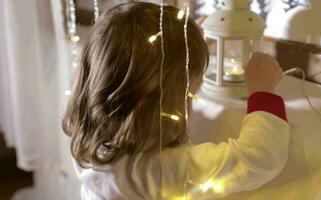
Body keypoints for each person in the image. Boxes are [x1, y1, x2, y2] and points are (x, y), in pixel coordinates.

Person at [62, 2, 290, 200]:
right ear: (159, 104)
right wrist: (263, 89)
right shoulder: (160, 170)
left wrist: (185, 45)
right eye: (188, 95)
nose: (190, 103)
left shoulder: (88, 144)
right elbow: (259, 158)